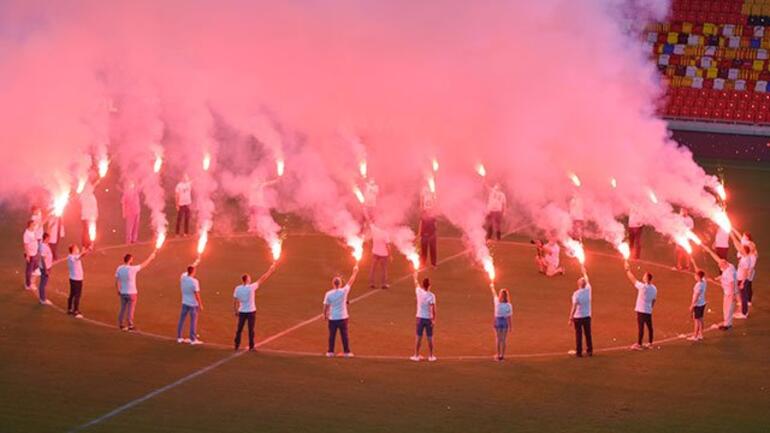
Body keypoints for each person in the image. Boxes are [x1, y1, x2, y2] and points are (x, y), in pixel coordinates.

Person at [233, 262, 279, 351]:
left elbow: (235, 300)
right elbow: (262, 279)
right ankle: (251, 346)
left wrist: (235, 310)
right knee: (251, 330)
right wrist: (270, 270)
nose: (250, 279)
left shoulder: (237, 288)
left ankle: (236, 344)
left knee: (239, 329)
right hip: (251, 311)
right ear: (247, 280)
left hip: (242, 311)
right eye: (249, 278)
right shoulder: (251, 287)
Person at [322, 264, 360, 357]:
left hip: (333, 318)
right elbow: (351, 281)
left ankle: (330, 352)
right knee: (344, 336)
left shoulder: (328, 294)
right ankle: (347, 352)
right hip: (343, 317)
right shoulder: (344, 291)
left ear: (333, 284)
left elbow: (326, 306)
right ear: (340, 283)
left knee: (332, 336)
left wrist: (325, 315)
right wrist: (355, 272)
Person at [115, 250, 158, 331]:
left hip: (123, 292)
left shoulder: (119, 268)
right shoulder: (132, 269)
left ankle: (121, 323)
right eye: (132, 259)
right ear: (130, 260)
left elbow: (117, 281)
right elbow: (143, 265)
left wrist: (118, 290)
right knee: (131, 309)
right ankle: (130, 325)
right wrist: (151, 258)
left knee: (122, 308)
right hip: (132, 293)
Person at [624, 262, 657, 350]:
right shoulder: (654, 288)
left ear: (646, 278)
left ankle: (639, 344)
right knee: (650, 327)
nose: (643, 277)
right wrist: (651, 307)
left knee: (641, 327)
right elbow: (654, 300)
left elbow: (633, 279)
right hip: (648, 310)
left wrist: (627, 270)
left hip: (641, 310)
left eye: (644, 276)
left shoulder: (643, 287)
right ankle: (650, 343)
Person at [705, 248, 737, 330]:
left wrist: (733, 294)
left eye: (720, 266)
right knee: (726, 308)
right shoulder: (729, 266)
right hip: (728, 292)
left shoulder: (728, 272)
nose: (719, 267)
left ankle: (727, 325)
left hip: (730, 292)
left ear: (724, 265)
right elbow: (718, 261)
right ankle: (727, 323)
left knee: (728, 308)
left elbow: (731, 283)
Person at [410, 272, 437, 362]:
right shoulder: (431, 296)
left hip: (419, 318)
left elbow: (416, 283)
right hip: (428, 319)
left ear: (423, 285)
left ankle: (416, 355)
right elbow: (433, 309)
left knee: (418, 337)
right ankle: (431, 356)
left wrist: (415, 276)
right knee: (430, 337)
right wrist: (433, 320)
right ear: (429, 285)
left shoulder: (419, 291)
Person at [568, 264, 592, 357]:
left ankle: (579, 352)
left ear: (579, 284)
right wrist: (584, 271)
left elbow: (574, 307)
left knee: (579, 335)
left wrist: (570, 318)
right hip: (587, 316)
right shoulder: (588, 289)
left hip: (578, 317)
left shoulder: (576, 294)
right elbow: (587, 278)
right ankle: (590, 351)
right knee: (588, 334)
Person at [178, 263, 204, 345]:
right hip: (193, 304)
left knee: (181, 320)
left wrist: (196, 262)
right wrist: (200, 304)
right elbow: (197, 294)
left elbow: (185, 272)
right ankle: (193, 339)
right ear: (193, 271)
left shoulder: (183, 278)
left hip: (184, 302)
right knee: (193, 321)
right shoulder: (194, 282)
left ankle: (179, 337)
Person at [66, 244, 92, 318]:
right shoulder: (72, 257)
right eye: (76, 248)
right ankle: (76, 310)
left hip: (73, 278)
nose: (78, 249)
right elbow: (81, 255)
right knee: (77, 295)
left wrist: (88, 250)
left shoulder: (71, 256)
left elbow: (82, 255)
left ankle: (70, 308)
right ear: (73, 250)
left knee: (72, 294)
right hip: (76, 279)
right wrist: (88, 249)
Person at [490, 283, 512, 361]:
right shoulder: (509, 305)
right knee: (504, 339)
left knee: (498, 339)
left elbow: (494, 294)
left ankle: (498, 355)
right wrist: (510, 326)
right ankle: (502, 355)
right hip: (505, 322)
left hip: (498, 322)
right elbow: (509, 316)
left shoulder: (497, 303)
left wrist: (492, 287)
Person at [687, 258, 707, 341]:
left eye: (696, 275)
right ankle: (701, 334)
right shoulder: (704, 281)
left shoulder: (698, 285)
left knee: (696, 320)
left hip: (697, 304)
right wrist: (693, 261)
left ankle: (695, 336)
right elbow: (698, 270)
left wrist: (692, 305)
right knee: (701, 319)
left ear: (698, 276)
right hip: (702, 303)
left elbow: (696, 295)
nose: (694, 276)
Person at [368, 223, 390, 289]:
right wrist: (390, 255)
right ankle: (384, 284)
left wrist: (365, 213)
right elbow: (388, 246)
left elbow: (369, 221)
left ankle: (371, 283)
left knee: (373, 269)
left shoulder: (374, 230)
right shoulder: (385, 234)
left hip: (375, 253)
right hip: (383, 254)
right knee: (384, 270)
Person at [79, 179, 98, 248]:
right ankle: (85, 245)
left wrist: (96, 214)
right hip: (86, 216)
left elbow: (94, 206)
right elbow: (84, 207)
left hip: (92, 216)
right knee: (86, 231)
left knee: (92, 231)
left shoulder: (92, 196)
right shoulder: (83, 195)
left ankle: (90, 245)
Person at [37, 233, 54, 305]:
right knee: (43, 283)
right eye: (48, 238)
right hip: (45, 267)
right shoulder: (43, 247)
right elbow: (43, 259)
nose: (49, 239)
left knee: (43, 282)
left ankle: (42, 298)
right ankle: (42, 299)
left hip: (46, 266)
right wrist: (46, 269)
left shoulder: (43, 244)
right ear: (46, 239)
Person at [23, 220, 39, 291]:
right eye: (33, 224)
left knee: (36, 270)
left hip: (34, 253)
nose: (35, 225)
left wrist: (50, 215)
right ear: (30, 225)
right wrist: (28, 255)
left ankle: (30, 282)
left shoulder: (33, 230)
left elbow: (41, 224)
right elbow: (25, 245)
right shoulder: (26, 234)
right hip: (30, 255)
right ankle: (28, 284)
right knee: (29, 270)